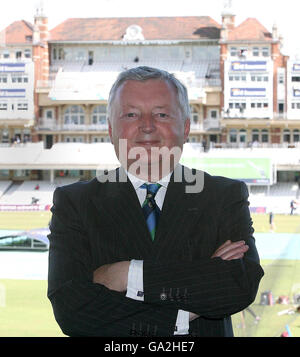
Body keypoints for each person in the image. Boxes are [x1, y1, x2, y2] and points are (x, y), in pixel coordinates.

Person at [47, 66, 264, 337]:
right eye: (131, 114)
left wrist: (129, 274)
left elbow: (238, 283)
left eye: (161, 114)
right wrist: (184, 310)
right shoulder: (75, 203)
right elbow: (72, 310)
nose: (147, 125)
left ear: (185, 128)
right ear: (111, 129)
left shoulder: (223, 195)